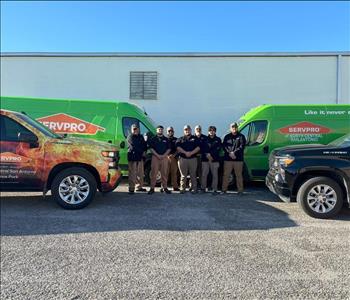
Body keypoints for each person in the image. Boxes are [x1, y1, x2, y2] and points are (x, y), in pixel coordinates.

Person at [221, 122, 247, 195]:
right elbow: (224, 146)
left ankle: (240, 191)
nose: (234, 128)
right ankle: (224, 190)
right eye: (232, 127)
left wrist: (234, 153)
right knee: (226, 175)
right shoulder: (227, 137)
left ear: (237, 128)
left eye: (235, 127)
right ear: (230, 128)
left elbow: (242, 147)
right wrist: (230, 153)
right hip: (228, 159)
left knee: (239, 175)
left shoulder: (241, 136)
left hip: (238, 159)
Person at [176, 125, 201, 194]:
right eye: (185, 130)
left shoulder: (195, 138)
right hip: (183, 159)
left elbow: (198, 147)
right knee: (183, 175)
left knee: (193, 175)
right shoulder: (180, 139)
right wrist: (185, 152)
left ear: (191, 130)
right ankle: (182, 189)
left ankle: (194, 189)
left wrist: (191, 153)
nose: (187, 131)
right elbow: (178, 147)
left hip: (193, 159)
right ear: (184, 131)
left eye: (188, 129)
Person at [148, 125, 171, 194]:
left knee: (164, 173)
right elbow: (151, 148)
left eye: (161, 129)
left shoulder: (166, 139)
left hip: (164, 158)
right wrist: (157, 155)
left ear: (163, 130)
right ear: (156, 130)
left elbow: (169, 148)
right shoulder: (153, 139)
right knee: (154, 173)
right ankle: (152, 188)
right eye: (159, 129)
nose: (160, 130)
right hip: (155, 157)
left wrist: (164, 155)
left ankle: (165, 188)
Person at [201, 126, 222, 195]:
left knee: (215, 175)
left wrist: (211, 155)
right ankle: (203, 188)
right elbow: (202, 148)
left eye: (213, 130)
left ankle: (214, 189)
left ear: (215, 131)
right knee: (204, 174)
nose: (211, 132)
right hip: (205, 160)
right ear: (208, 131)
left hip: (214, 159)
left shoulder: (218, 139)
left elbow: (218, 149)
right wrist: (207, 154)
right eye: (210, 130)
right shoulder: (205, 139)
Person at [127, 124, 148, 194]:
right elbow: (133, 146)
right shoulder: (130, 136)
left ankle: (139, 187)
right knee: (132, 174)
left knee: (140, 174)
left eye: (136, 129)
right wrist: (142, 152)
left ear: (138, 129)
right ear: (131, 130)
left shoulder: (141, 136)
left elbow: (144, 146)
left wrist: (145, 142)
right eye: (134, 129)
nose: (135, 130)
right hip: (132, 158)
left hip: (140, 158)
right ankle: (131, 188)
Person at [166, 126, 179, 191]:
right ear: (167, 132)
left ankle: (175, 186)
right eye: (169, 131)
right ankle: (164, 187)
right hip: (166, 158)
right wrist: (166, 155)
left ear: (173, 132)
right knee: (165, 173)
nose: (170, 132)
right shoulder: (164, 139)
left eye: (172, 131)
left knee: (174, 173)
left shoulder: (176, 139)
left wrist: (174, 155)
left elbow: (178, 149)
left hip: (173, 158)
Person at [194, 125, 207, 189]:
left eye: (199, 129)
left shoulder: (205, 137)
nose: (198, 130)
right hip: (193, 157)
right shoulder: (192, 137)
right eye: (197, 129)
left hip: (202, 157)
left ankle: (202, 186)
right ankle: (193, 186)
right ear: (194, 130)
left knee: (201, 172)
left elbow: (207, 147)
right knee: (193, 171)